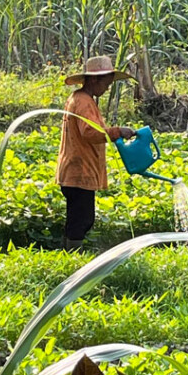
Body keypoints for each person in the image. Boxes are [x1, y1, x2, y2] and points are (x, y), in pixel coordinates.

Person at [56, 56, 136, 249]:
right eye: (106, 84)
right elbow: (89, 132)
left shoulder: (81, 99)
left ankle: (70, 253)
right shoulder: (83, 101)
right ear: (93, 80)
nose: (107, 88)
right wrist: (117, 132)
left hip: (77, 169)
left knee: (79, 218)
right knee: (81, 220)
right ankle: (73, 257)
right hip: (79, 170)